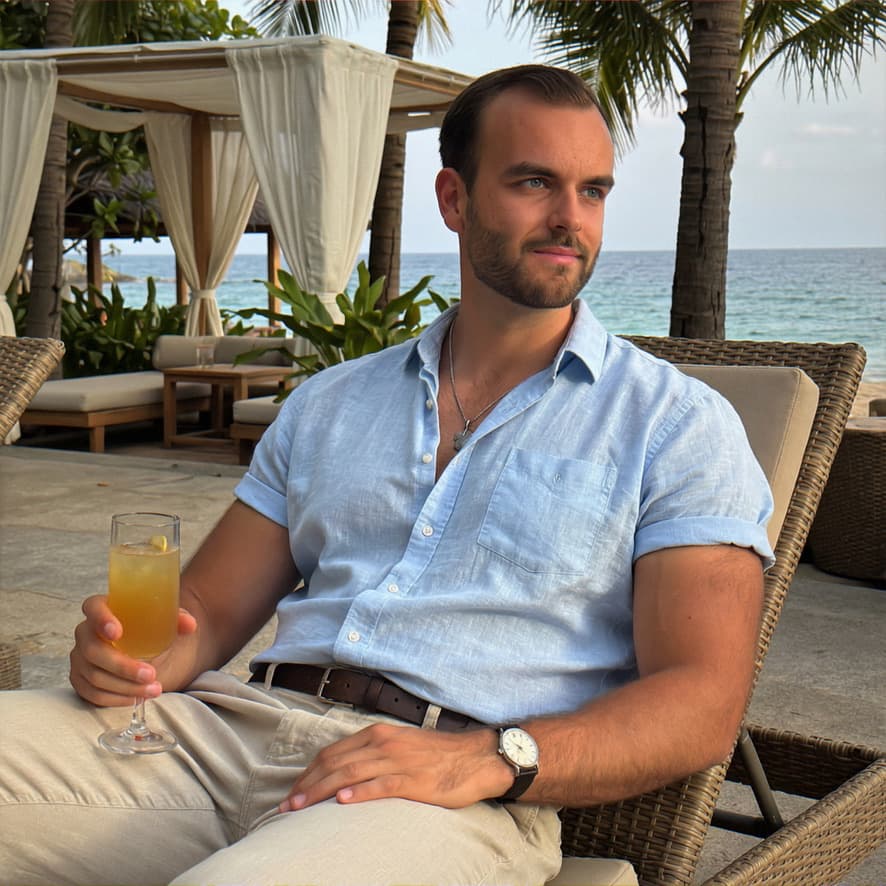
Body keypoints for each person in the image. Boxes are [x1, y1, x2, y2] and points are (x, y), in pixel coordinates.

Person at [0, 64, 773, 885]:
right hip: (224, 736)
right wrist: (134, 660)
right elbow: (208, 608)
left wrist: (490, 757)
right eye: (534, 182)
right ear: (454, 199)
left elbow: (700, 701)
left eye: (593, 191)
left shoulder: (674, 426)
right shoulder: (332, 402)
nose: (569, 218)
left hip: (445, 788)